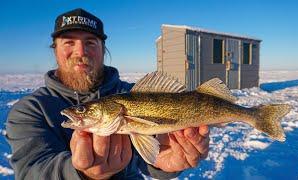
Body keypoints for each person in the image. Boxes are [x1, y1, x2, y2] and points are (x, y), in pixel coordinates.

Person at [6, 8, 210, 179]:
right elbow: (30, 171)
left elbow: (147, 156)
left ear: (104, 49)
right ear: (55, 50)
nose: (81, 52)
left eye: (90, 42)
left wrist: (163, 161)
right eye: (69, 42)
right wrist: (83, 174)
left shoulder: (131, 93)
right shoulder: (28, 111)